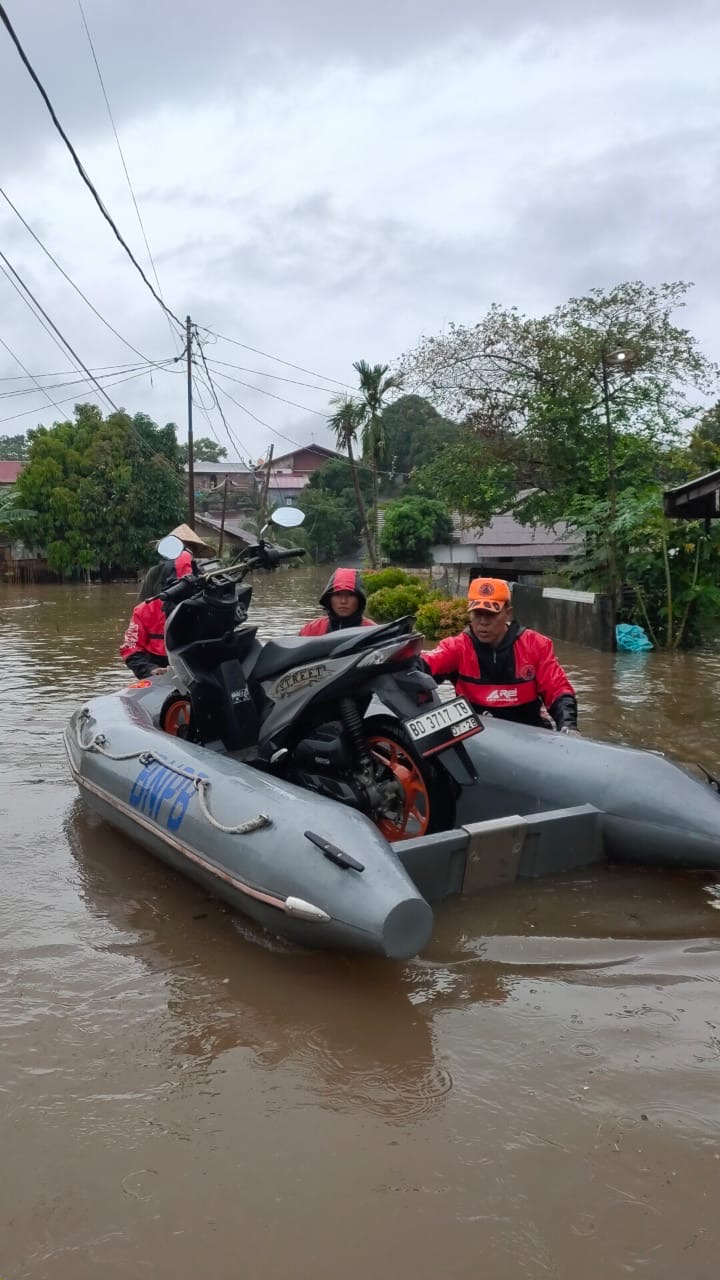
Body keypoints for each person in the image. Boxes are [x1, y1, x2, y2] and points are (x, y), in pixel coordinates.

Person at [422, 577, 579, 733]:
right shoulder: (457, 647)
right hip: (478, 738)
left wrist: (569, 726)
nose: (483, 622)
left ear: (508, 613)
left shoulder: (535, 645)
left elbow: (558, 689)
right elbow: (427, 664)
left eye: (491, 614)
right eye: (477, 614)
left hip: (530, 736)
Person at [136, 523, 213, 602]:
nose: (183, 551)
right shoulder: (155, 573)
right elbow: (144, 606)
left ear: (194, 552)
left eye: (188, 547)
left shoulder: (203, 575)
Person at [299, 568, 375, 635]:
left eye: (350, 595)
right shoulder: (310, 630)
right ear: (329, 599)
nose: (343, 601)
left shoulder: (373, 632)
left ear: (359, 599)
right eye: (337, 594)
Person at [120, 594, 170, 679]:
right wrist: (151, 670)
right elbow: (130, 648)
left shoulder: (199, 607)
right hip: (156, 669)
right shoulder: (145, 609)